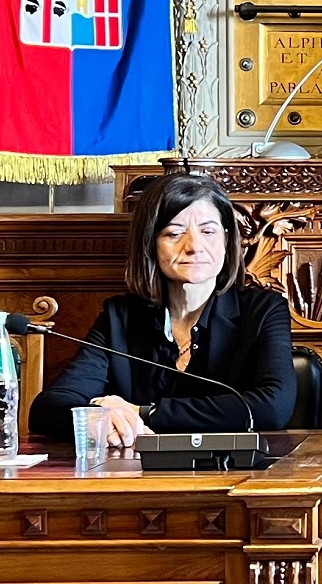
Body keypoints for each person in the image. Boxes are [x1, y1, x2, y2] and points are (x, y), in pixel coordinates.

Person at [28, 174, 296, 445]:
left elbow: (272, 407)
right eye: (174, 233)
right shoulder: (120, 316)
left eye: (208, 231)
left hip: (230, 472)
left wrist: (144, 412)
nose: (193, 247)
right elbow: (48, 408)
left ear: (227, 240)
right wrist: (96, 417)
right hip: (136, 476)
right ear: (150, 243)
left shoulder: (262, 310)